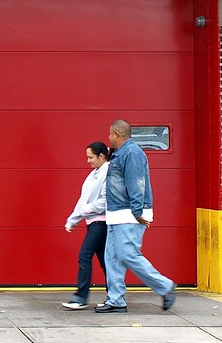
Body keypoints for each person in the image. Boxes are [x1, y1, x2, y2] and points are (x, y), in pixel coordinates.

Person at [94, 119, 177, 314]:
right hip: (117, 214)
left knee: (128, 255)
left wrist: (138, 211)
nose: (108, 138)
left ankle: (165, 286)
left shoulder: (132, 153)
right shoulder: (120, 153)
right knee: (112, 258)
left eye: (109, 134)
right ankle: (116, 300)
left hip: (129, 214)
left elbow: (136, 182)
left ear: (117, 134)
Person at [61, 141, 110, 310]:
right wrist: (73, 220)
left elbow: (105, 201)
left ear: (101, 156)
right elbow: (83, 201)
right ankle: (114, 296)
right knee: (105, 261)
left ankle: (81, 297)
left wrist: (86, 210)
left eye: (91, 157)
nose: (88, 161)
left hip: (100, 222)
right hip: (93, 221)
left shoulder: (108, 173)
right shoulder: (94, 174)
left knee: (84, 256)